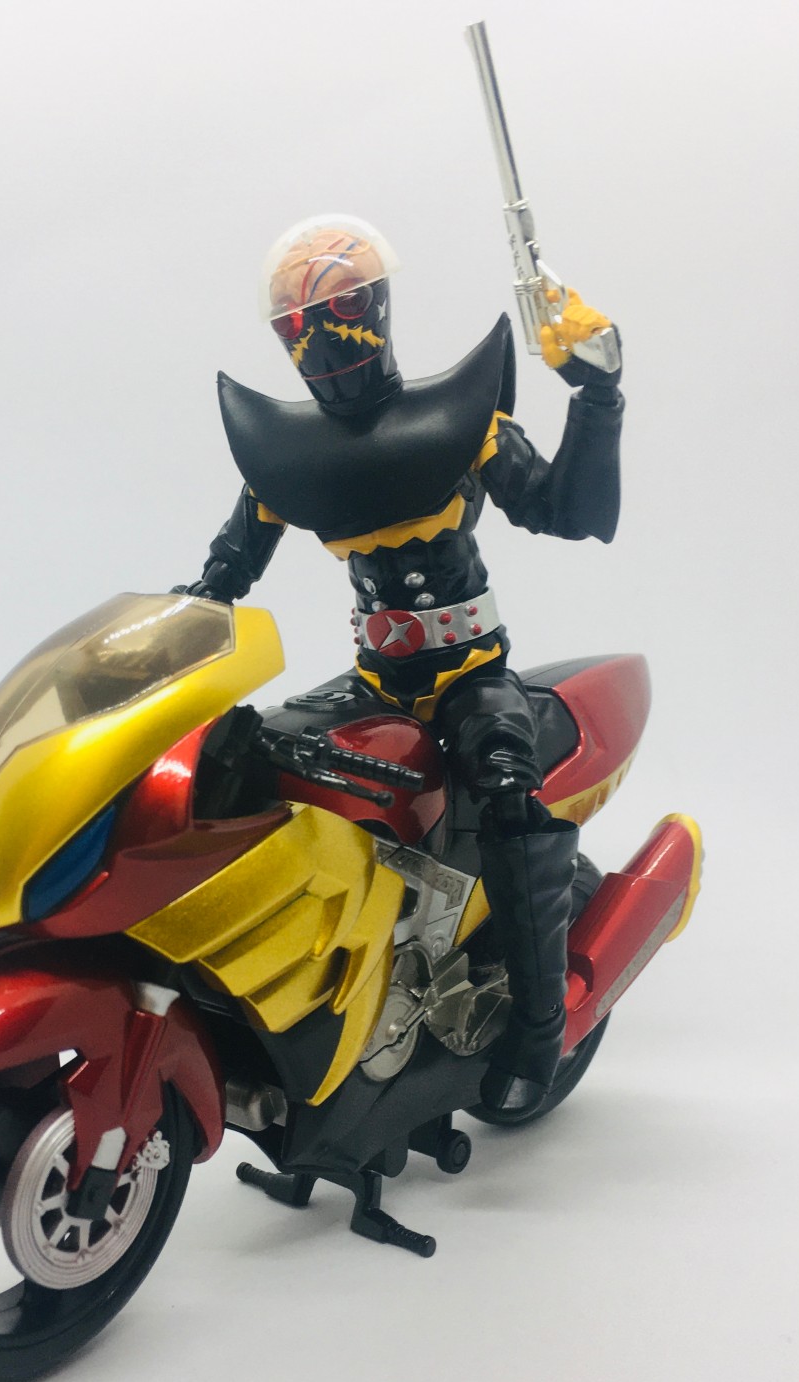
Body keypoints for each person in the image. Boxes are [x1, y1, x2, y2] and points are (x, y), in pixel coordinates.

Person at [178, 215, 623, 1116]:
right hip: (375, 682)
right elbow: (222, 575)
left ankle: (538, 1029)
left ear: (377, 307)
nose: (323, 333)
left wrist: (597, 395)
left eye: (342, 308)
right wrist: (164, 646)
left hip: (468, 675)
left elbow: (568, 511)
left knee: (508, 791)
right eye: (299, 319)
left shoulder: (464, 426)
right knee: (251, 763)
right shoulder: (285, 461)